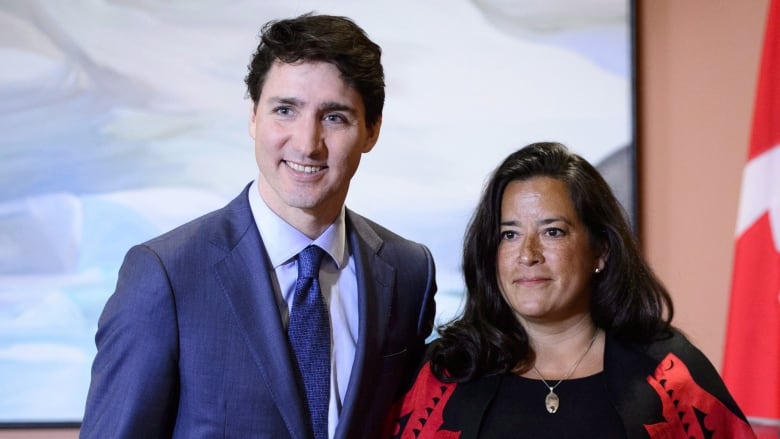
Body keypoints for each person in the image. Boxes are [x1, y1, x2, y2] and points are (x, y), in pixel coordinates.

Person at [80, 13, 437, 439]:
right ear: (253, 117)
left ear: (372, 130)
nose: (307, 143)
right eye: (285, 110)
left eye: (334, 117)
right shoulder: (166, 275)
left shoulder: (409, 272)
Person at [389, 142, 755, 438]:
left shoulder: (671, 376)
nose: (528, 255)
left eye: (553, 232)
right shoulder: (444, 374)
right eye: (510, 234)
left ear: (601, 250)